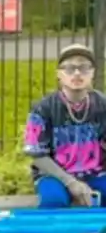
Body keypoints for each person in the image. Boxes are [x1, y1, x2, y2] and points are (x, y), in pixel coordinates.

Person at [25, 43, 106, 207]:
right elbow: (37, 155)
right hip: (54, 176)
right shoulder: (42, 108)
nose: (77, 73)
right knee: (53, 201)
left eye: (84, 68)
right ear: (59, 75)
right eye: (69, 68)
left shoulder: (102, 104)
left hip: (96, 173)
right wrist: (70, 182)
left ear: (92, 73)